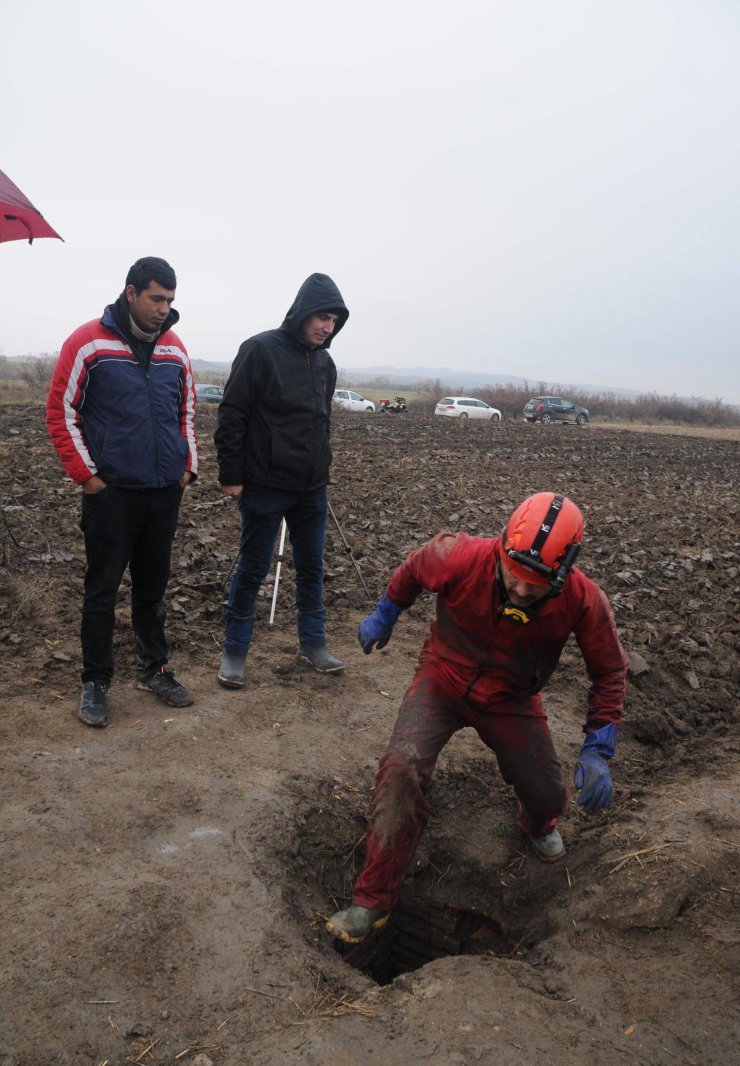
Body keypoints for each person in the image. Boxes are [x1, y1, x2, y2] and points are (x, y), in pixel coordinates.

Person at [326, 492, 628, 943]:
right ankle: (373, 901)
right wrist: (385, 614)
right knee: (402, 768)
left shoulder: (583, 600)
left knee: (548, 794)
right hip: (443, 675)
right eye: (515, 576)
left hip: (512, 697)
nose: (522, 591)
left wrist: (599, 748)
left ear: (564, 573)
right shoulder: (459, 556)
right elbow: (413, 569)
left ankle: (535, 821)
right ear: (502, 547)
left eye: (537, 584)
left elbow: (609, 670)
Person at [46, 256, 197, 728]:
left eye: (170, 300)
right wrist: (88, 477)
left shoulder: (175, 349)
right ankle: (95, 680)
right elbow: (60, 411)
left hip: (162, 492)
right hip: (111, 495)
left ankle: (156, 668)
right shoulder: (88, 341)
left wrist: (187, 466)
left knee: (152, 589)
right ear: (131, 293)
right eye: (156, 298)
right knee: (101, 590)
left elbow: (186, 411)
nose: (163, 308)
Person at [214, 273, 349, 688]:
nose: (326, 326)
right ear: (303, 313)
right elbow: (232, 414)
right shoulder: (260, 350)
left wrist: (322, 469)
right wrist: (232, 474)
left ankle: (313, 643)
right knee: (252, 569)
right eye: (321, 317)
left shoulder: (325, 363)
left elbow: (321, 422)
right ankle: (234, 652)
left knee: (311, 569)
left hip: (311, 489)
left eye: (334, 320)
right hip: (264, 485)